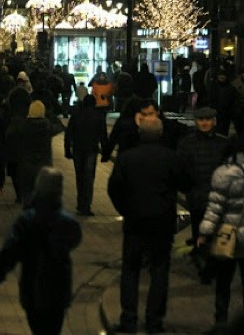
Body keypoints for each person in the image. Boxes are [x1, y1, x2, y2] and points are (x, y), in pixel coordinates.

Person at [0, 167, 82, 335]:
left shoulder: (27, 219)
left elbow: (11, 249)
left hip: (33, 287)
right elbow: (74, 241)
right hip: (58, 289)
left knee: (38, 328)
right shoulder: (69, 223)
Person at [107, 117, 179, 334]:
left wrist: (125, 209)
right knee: (159, 270)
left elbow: (114, 188)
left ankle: (128, 319)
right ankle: (154, 321)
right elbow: (184, 182)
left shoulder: (127, 158)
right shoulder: (171, 158)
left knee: (130, 271)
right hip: (162, 222)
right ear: (160, 133)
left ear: (140, 133)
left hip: (135, 221)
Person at [197, 135, 244, 332]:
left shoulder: (224, 173)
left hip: (229, 235)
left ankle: (221, 322)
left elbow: (215, 208)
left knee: (223, 282)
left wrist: (204, 233)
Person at [177, 106, 229, 246]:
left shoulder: (224, 143)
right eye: (201, 119)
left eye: (208, 119)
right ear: (196, 121)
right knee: (199, 231)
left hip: (216, 196)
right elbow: (181, 171)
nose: (204, 123)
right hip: (198, 196)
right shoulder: (186, 144)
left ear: (214, 121)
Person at [64, 95, 109, 216]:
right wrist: (105, 153)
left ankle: (80, 203)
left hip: (78, 149)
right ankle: (86, 206)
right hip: (91, 150)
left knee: (80, 177)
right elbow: (103, 136)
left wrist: (67, 150)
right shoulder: (99, 116)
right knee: (89, 178)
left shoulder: (76, 115)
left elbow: (68, 133)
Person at [10, 100, 55, 207]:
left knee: (28, 194)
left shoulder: (22, 126)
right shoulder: (48, 126)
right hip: (44, 165)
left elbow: (11, 135)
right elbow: (60, 126)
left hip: (27, 165)